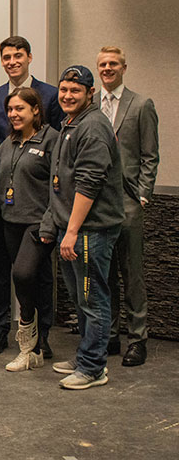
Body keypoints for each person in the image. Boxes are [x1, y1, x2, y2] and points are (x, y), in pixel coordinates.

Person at [40, 65, 124, 390]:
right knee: (81, 298)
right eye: (64, 89)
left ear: (90, 93)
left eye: (76, 90)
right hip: (72, 228)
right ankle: (87, 353)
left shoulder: (93, 126)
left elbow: (89, 182)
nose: (68, 95)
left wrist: (73, 231)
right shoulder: (70, 124)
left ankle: (93, 367)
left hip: (90, 230)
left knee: (93, 298)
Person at [0, 36, 65, 357]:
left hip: (36, 205)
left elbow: (53, 147)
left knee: (38, 274)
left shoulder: (50, 95)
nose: (12, 61)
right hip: (4, 205)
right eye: (7, 56)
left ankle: (41, 336)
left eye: (18, 55)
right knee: (1, 270)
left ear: (29, 57)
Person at [96, 46, 159, 366]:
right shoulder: (90, 104)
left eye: (113, 64)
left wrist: (144, 194)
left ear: (124, 67)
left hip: (129, 200)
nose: (107, 69)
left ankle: (138, 339)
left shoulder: (141, 104)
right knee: (103, 275)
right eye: (103, 64)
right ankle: (109, 336)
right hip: (97, 203)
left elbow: (150, 154)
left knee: (132, 274)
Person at [0, 87, 58, 372]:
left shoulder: (52, 139)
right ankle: (40, 342)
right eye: (10, 109)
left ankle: (26, 341)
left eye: (20, 108)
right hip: (11, 221)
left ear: (36, 110)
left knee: (23, 275)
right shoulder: (7, 142)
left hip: (38, 223)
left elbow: (59, 187)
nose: (13, 114)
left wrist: (49, 223)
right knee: (38, 279)